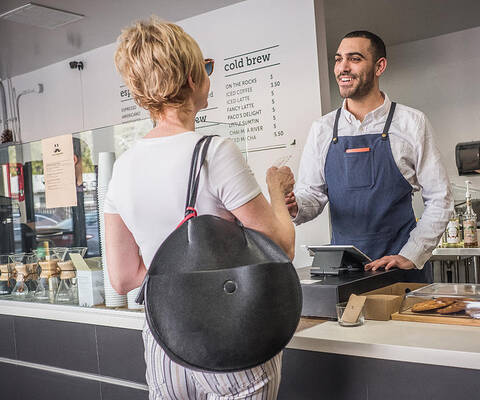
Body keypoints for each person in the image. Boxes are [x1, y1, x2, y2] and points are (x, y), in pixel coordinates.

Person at [104, 18, 294, 400]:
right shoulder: (214, 151)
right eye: (206, 68)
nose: (209, 76)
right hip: (230, 336)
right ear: (192, 78)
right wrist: (277, 192)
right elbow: (281, 249)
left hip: (164, 343)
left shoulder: (123, 166)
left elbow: (123, 278)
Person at [287, 31, 452, 281]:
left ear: (379, 66)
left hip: (399, 270)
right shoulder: (322, 129)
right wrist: (295, 205)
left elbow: (440, 197)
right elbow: (312, 194)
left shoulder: (411, 123)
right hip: (344, 272)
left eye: (354, 59)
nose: (343, 67)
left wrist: (412, 253)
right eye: (338, 59)